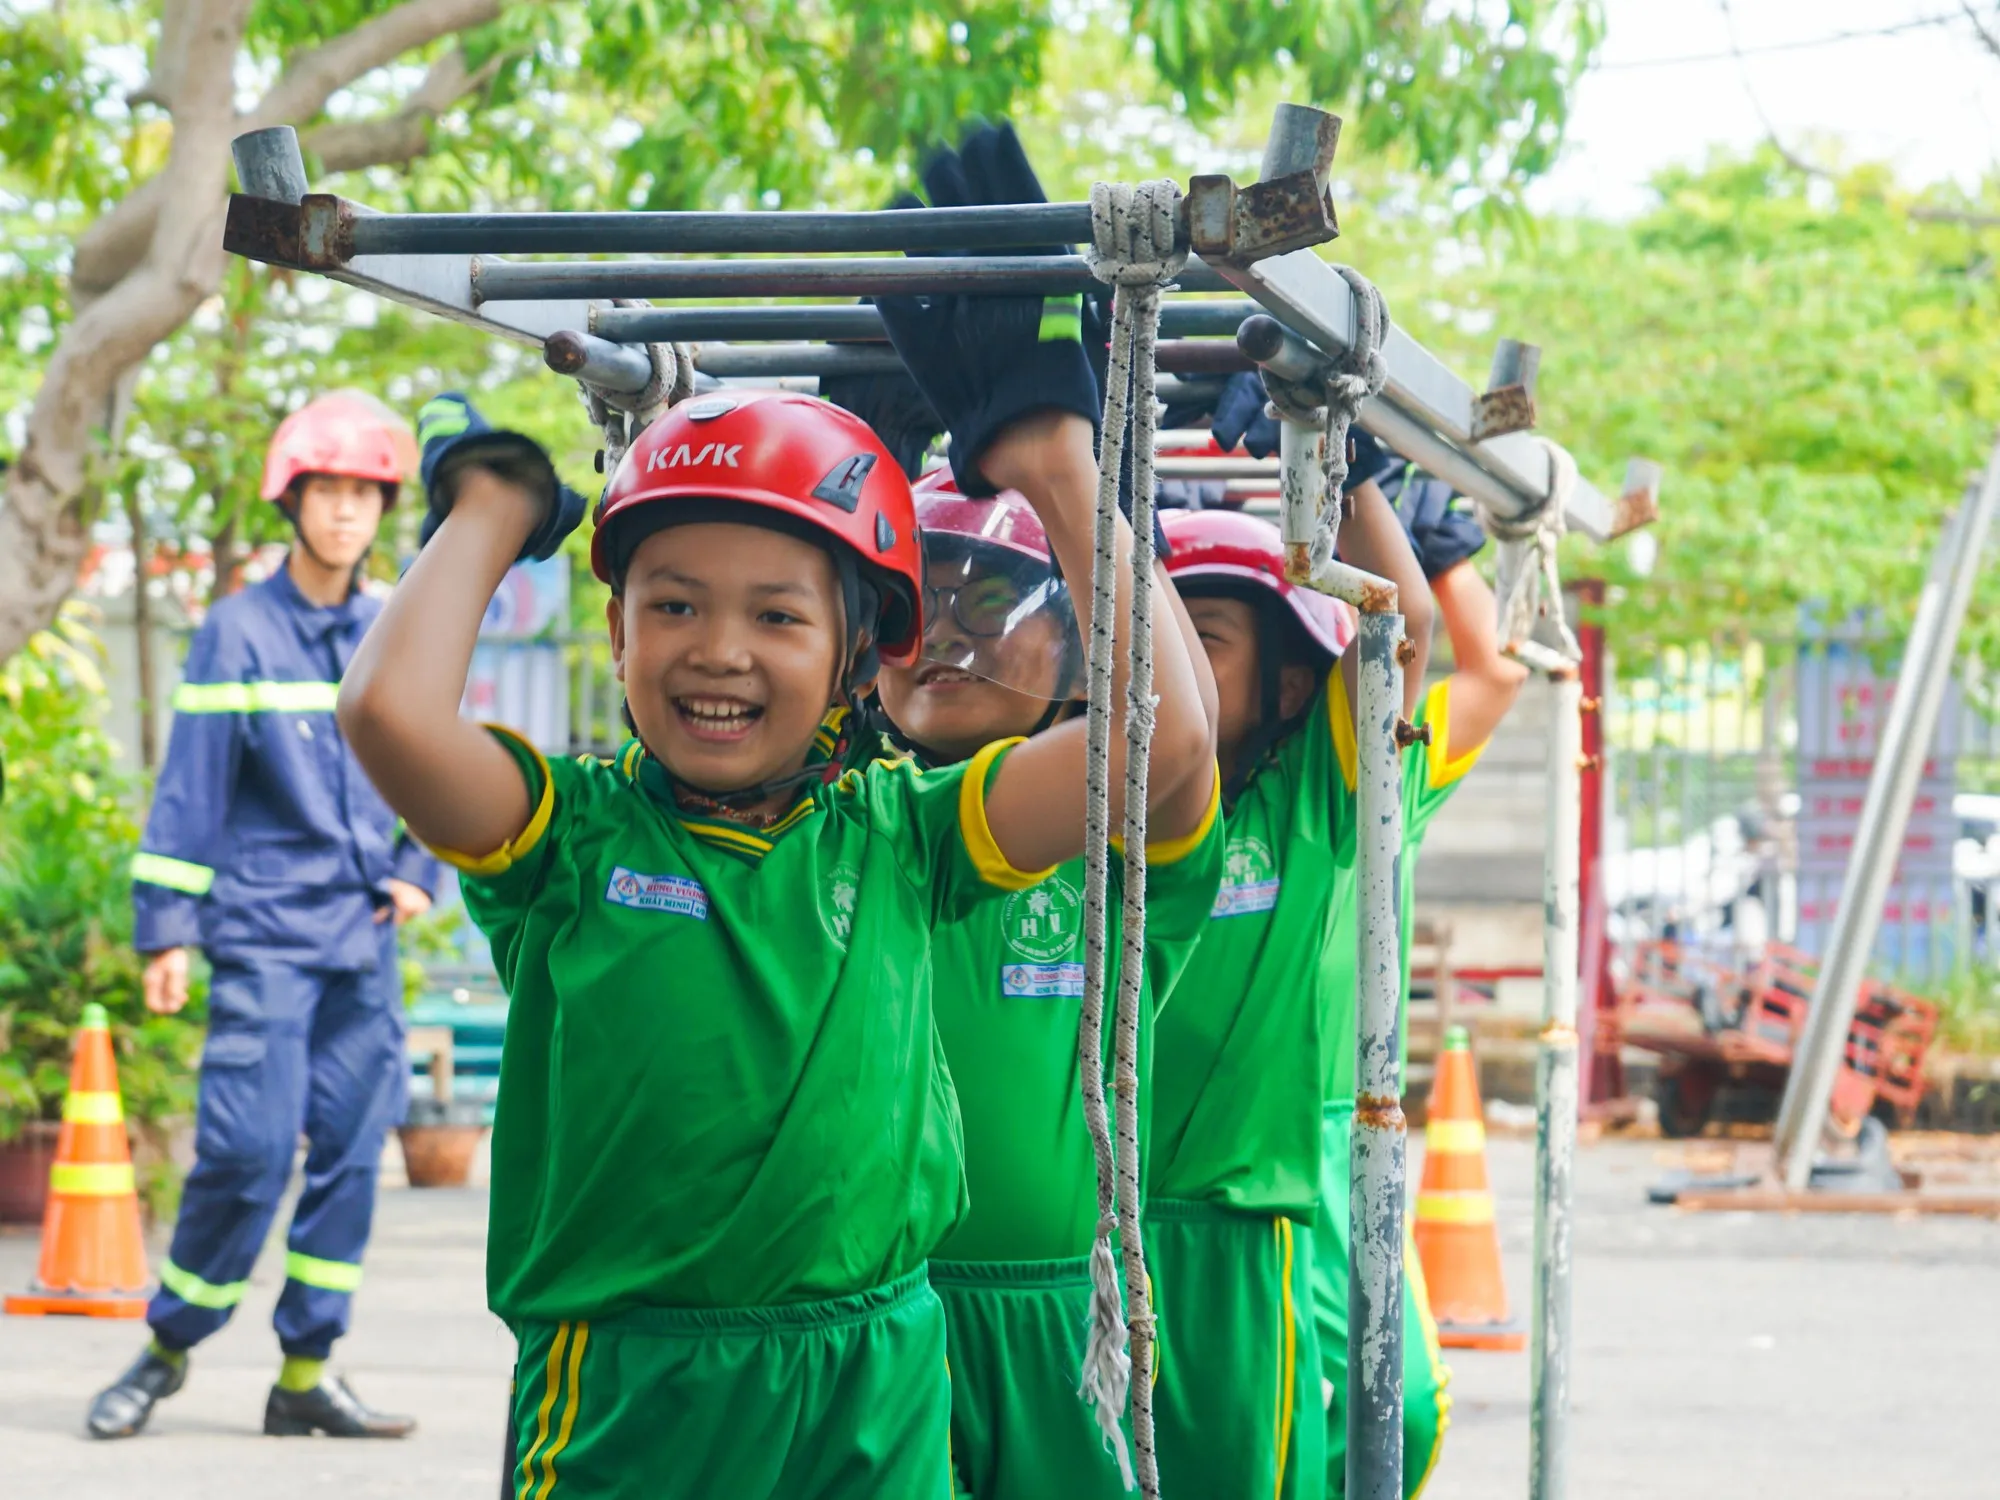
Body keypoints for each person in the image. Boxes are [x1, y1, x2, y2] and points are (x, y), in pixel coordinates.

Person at [333, 140, 1217, 1497]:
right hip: (635, 1380)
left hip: (875, 1367)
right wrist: (493, 505)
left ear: (861, 658)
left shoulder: (911, 836)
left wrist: (1051, 454)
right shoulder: (573, 837)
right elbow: (389, 720)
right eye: (671, 604)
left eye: (779, 615)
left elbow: (1167, 732)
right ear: (616, 636)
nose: (718, 650)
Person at [860, 469, 1222, 1500]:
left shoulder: (1112, 842)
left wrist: (1087, 505)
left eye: (991, 602)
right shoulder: (842, 818)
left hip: (1060, 1318)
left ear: (1073, 639)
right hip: (869, 1313)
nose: (944, 637)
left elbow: (1174, 731)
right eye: (913, 607)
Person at [89, 391, 440, 1441]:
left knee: (347, 1151)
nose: (344, 513)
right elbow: (190, 789)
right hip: (262, 941)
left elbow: (434, 750)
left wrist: (421, 863)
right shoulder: (235, 632)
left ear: (383, 508)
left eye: (363, 494)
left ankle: (303, 1373)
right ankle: (167, 1347)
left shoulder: (394, 626)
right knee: (244, 1152)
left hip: (361, 945)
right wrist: (164, 929)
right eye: (325, 491)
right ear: (292, 501)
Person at [1146, 465, 1432, 1500]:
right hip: (1070, 1237)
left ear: (1289, 686)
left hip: (1226, 1247)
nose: (1162, 668)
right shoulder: (1068, 808)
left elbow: (1402, 633)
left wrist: (1338, 468)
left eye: (1202, 642)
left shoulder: (1302, 807)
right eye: (1146, 635)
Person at [1313, 445, 1529, 1498]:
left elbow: (1487, 667)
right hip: (1232, 1137)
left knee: (1397, 1407)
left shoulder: (1370, 771)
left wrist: (1438, 551)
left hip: (1332, 1130)